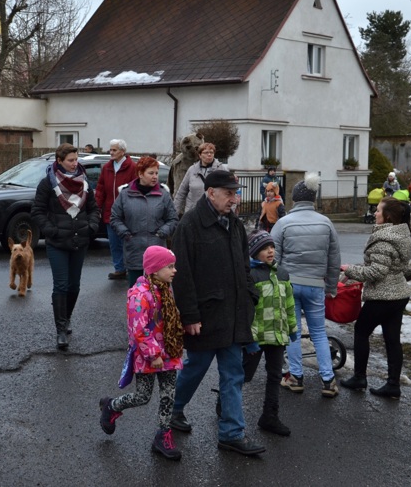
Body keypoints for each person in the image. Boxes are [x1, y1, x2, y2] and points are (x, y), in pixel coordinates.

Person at [169, 170, 265, 456]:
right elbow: (181, 275)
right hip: (205, 316)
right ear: (211, 193)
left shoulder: (234, 224)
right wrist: (189, 316)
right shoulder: (189, 225)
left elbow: (244, 266)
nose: (235, 199)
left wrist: (250, 294)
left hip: (234, 315)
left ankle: (231, 433)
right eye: (229, 194)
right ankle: (172, 409)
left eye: (236, 193)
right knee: (195, 368)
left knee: (233, 373)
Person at [99, 246, 185, 460]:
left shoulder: (165, 289)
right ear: (155, 269)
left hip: (169, 352)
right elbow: (138, 329)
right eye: (170, 266)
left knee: (168, 395)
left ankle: (163, 436)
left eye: (174, 266)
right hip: (149, 356)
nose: (174, 270)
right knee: (142, 397)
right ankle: (112, 406)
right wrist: (154, 354)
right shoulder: (139, 295)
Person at [271, 172, 341, 398]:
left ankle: (295, 376)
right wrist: (331, 287)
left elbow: (273, 257)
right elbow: (334, 259)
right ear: (313, 198)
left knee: (292, 331)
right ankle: (328, 380)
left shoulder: (283, 223)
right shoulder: (326, 223)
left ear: (294, 199)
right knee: (319, 333)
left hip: (289, 284)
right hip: (315, 285)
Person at [340, 197, 411, 399]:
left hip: (383, 296)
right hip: (398, 294)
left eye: (378, 210)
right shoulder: (401, 234)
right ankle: (393, 385)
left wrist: (349, 269)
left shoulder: (384, 240)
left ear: (387, 216)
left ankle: (359, 378)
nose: (375, 213)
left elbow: (376, 272)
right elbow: (395, 265)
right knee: (392, 340)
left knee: (361, 331)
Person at [31, 143, 99, 350]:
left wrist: (91, 226)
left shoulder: (84, 182)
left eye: (76, 159)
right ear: (59, 161)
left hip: (80, 240)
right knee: (61, 285)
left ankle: (67, 317)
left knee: (74, 285)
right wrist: (51, 230)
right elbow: (37, 211)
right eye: (70, 160)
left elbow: (93, 209)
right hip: (57, 242)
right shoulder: (48, 183)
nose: (74, 163)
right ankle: (61, 330)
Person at [244, 230, 298, 436]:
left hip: (277, 335)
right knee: (244, 374)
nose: (270, 251)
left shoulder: (282, 274)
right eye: (265, 248)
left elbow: (290, 304)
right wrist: (247, 337)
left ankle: (270, 416)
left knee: (275, 375)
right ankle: (225, 402)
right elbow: (246, 309)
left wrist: (292, 328)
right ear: (254, 252)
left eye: (272, 247)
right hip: (256, 336)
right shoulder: (250, 275)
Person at [110, 156, 178, 288]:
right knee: (136, 292)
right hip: (134, 249)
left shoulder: (163, 194)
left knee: (159, 292)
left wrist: (162, 233)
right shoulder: (125, 194)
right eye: (151, 173)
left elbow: (173, 219)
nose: (155, 177)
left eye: (156, 173)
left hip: (157, 251)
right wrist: (125, 233)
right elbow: (115, 218)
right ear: (140, 174)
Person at [94, 139, 137, 280]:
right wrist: (97, 208)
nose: (111, 152)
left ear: (123, 151)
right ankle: (119, 268)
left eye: (114, 150)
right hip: (110, 212)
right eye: (110, 150)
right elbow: (100, 189)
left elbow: (136, 189)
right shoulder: (107, 167)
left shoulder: (133, 167)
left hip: (127, 213)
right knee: (114, 242)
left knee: (128, 242)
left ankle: (131, 267)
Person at [173, 142, 224, 217]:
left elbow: (229, 192)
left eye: (211, 152)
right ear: (200, 155)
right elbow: (181, 193)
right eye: (206, 152)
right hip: (192, 214)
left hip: (213, 214)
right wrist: (173, 215)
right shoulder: (192, 170)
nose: (209, 154)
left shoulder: (221, 170)